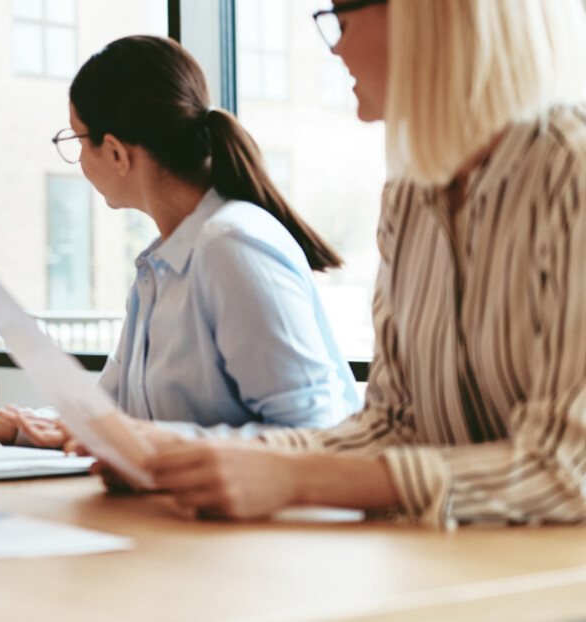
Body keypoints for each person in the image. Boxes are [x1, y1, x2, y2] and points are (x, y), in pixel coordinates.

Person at [137, 0, 586, 527]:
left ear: (426, 20)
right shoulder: (409, 194)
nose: (337, 48)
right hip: (457, 570)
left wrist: (294, 480)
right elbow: (391, 425)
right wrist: (190, 460)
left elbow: (565, 467)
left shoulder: (571, 173)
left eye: (342, 22)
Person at [0, 35, 359, 446]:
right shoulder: (157, 268)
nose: (77, 161)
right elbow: (110, 419)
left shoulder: (232, 247)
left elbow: (312, 434)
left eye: (76, 139)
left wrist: (148, 441)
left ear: (115, 152)